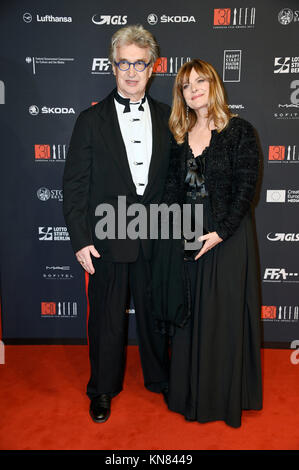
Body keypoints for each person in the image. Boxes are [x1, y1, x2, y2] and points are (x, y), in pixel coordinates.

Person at [63, 25, 171, 423]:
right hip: (108, 238)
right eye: (123, 62)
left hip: (157, 237)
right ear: (113, 66)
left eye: (139, 63)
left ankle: (160, 380)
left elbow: (176, 180)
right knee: (106, 320)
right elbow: (74, 185)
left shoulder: (167, 117)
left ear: (152, 68)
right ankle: (102, 389)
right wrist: (80, 239)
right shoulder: (90, 120)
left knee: (156, 314)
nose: (131, 71)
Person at [152, 59, 263, 428]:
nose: (194, 89)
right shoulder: (179, 135)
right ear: (180, 94)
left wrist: (221, 232)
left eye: (200, 81)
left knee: (221, 317)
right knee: (190, 312)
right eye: (186, 85)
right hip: (187, 233)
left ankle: (221, 398)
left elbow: (246, 190)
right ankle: (189, 395)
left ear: (214, 84)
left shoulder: (239, 131)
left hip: (227, 238)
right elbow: (171, 188)